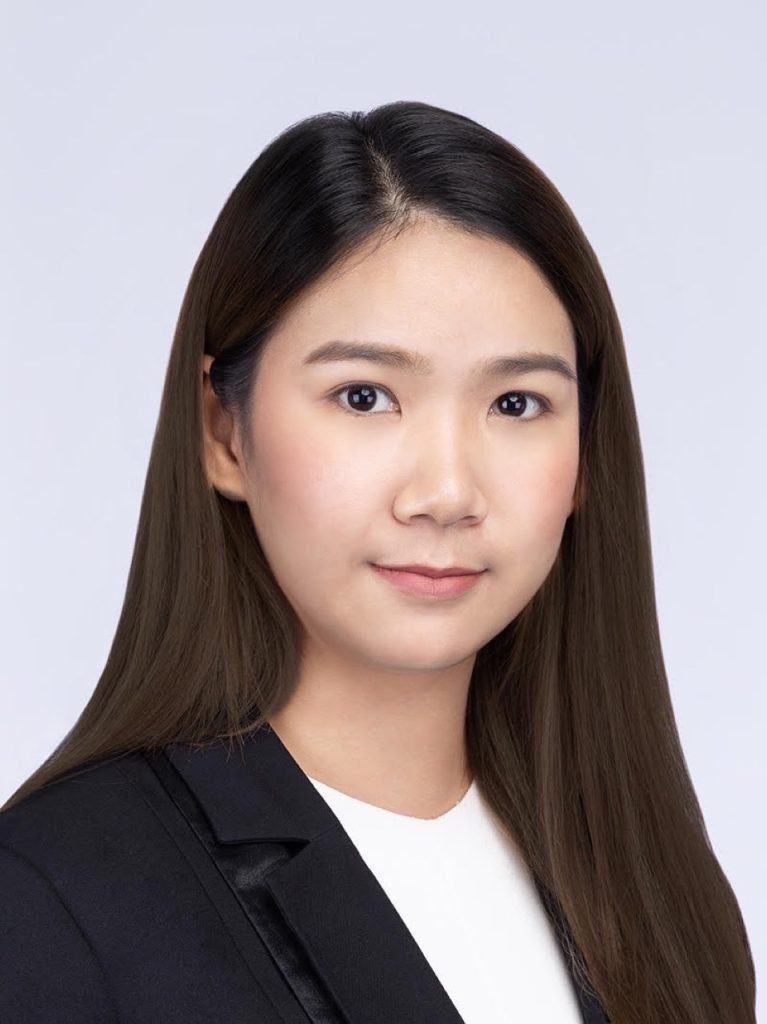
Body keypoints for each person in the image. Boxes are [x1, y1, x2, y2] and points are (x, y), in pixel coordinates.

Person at [0, 100, 755, 1024]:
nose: (445, 491)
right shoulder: (50, 902)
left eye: (515, 404)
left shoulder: (653, 894)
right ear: (223, 431)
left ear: (587, 454)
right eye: (364, 396)